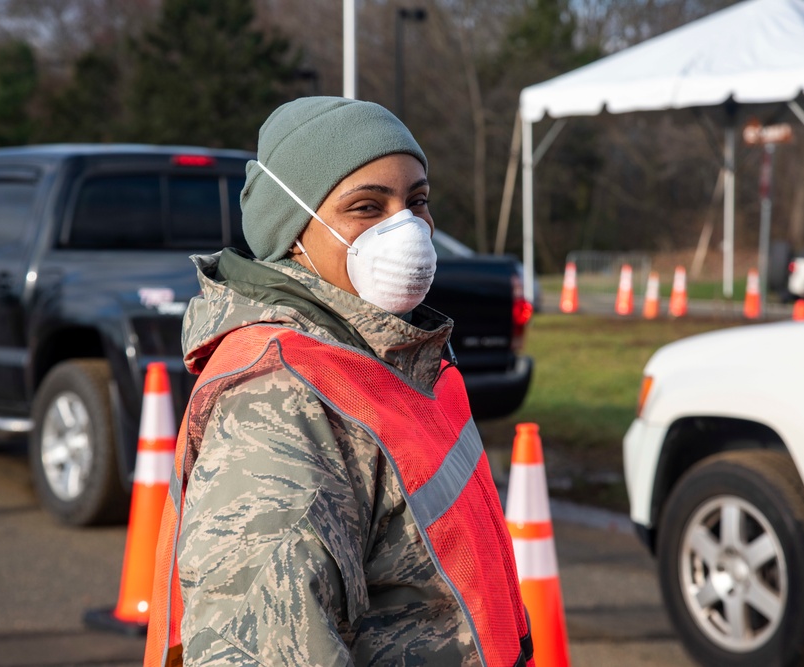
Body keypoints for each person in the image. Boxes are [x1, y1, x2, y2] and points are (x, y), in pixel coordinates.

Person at [145, 97, 533, 667]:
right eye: (367, 206)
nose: (407, 228)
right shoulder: (276, 400)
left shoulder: (397, 358)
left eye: (417, 200)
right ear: (294, 230)